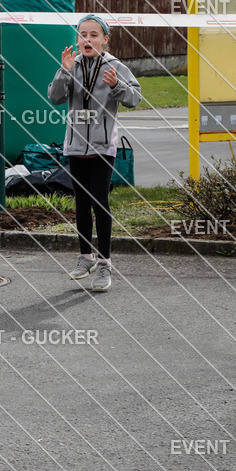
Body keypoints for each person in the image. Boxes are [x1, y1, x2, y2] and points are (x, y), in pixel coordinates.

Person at [49, 15, 141, 291]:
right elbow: (55, 97)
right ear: (77, 39)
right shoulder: (72, 65)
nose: (87, 40)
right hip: (76, 146)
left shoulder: (115, 66)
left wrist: (116, 86)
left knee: (100, 202)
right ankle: (85, 257)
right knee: (80, 203)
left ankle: (104, 264)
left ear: (105, 40)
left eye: (94, 35)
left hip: (103, 147)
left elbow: (134, 98)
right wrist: (63, 71)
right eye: (82, 35)